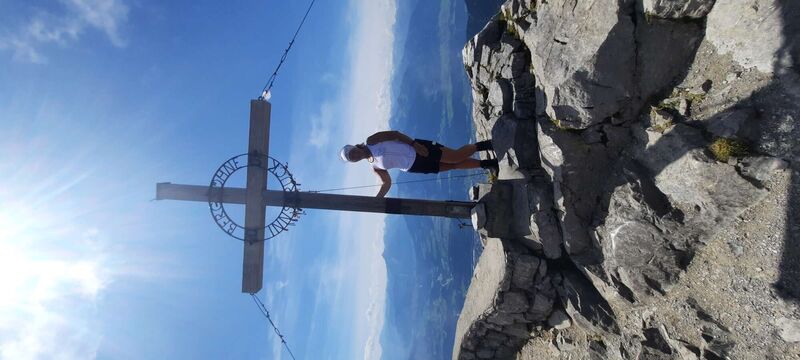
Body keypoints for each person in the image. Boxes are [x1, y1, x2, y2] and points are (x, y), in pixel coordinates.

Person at [339, 130, 497, 197]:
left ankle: (486, 145)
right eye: (352, 158)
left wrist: (415, 144)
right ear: (354, 162)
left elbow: (394, 134)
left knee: (455, 157)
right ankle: (488, 164)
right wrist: (378, 198)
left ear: (354, 146)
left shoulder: (371, 141)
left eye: (352, 152)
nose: (355, 155)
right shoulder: (375, 167)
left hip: (417, 149)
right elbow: (387, 183)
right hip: (414, 167)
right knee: (452, 166)